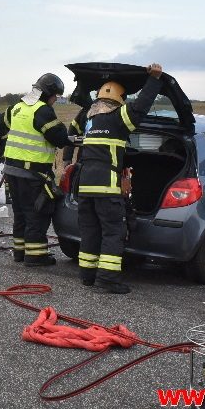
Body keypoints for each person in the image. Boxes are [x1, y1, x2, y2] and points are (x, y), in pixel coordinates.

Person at [76, 63, 164, 294]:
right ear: (119, 99)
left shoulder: (90, 121)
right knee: (113, 231)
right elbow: (140, 108)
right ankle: (107, 279)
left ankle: (87, 275)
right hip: (106, 187)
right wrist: (154, 80)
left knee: (90, 231)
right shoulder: (117, 118)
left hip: (85, 187)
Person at [3, 73, 69, 266]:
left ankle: (20, 252)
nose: (56, 99)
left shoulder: (16, 107)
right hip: (33, 173)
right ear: (48, 93)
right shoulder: (43, 111)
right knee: (37, 213)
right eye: (55, 95)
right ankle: (35, 255)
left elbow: (4, 125)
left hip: (12, 171)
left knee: (20, 213)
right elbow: (60, 138)